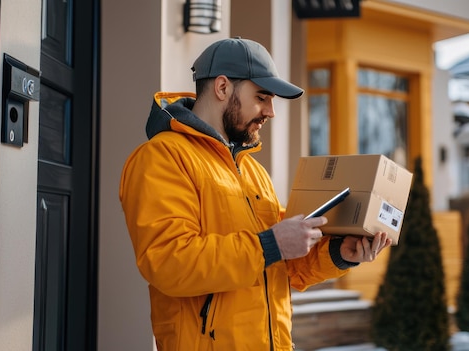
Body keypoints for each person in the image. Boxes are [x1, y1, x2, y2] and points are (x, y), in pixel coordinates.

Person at [119, 37, 392, 351]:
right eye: (262, 97)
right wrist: (269, 244)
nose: (271, 112)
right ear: (222, 88)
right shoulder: (162, 158)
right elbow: (169, 262)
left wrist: (340, 254)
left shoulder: (253, 172)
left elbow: (284, 266)